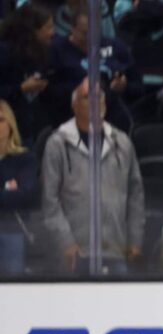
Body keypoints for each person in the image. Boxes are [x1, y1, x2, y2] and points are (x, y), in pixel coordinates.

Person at [41, 80, 143, 275]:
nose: (96, 101)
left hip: (116, 249)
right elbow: (50, 201)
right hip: (74, 253)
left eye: (100, 96)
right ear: (74, 105)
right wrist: (66, 242)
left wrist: (135, 240)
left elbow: (135, 196)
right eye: (88, 97)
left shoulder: (122, 142)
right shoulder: (57, 144)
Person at [49, 9, 142, 134]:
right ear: (73, 28)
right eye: (85, 33)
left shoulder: (115, 47)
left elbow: (138, 87)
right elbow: (51, 94)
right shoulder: (58, 51)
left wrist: (124, 87)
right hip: (74, 122)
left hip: (115, 120)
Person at [0, 4, 56, 145]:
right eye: (48, 27)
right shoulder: (4, 53)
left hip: (31, 124)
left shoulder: (44, 50)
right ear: (33, 30)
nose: (53, 32)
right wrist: (21, 88)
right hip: (8, 127)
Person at [0, 99, 38, 276]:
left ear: (10, 125)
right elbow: (14, 196)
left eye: (1, 120)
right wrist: (7, 189)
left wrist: (13, 194)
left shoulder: (25, 159)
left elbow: (26, 195)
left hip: (11, 231)